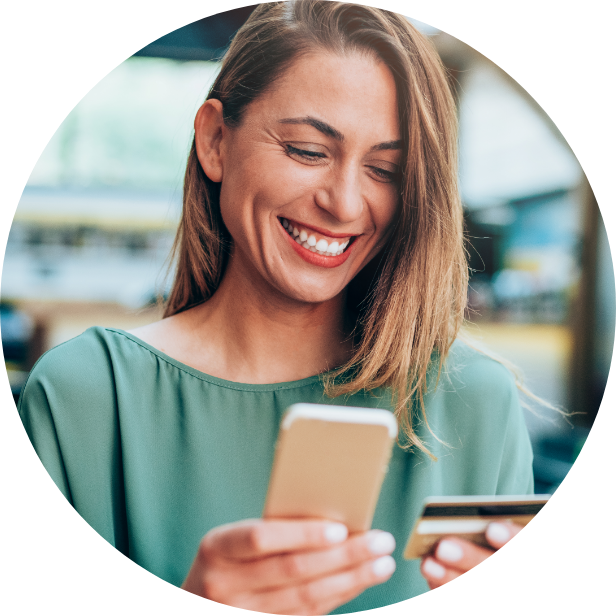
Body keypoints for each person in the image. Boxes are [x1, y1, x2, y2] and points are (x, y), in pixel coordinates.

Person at [18, 1, 537, 612]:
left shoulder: (473, 402)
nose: (344, 204)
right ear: (215, 140)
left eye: (384, 169)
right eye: (308, 151)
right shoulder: (84, 399)